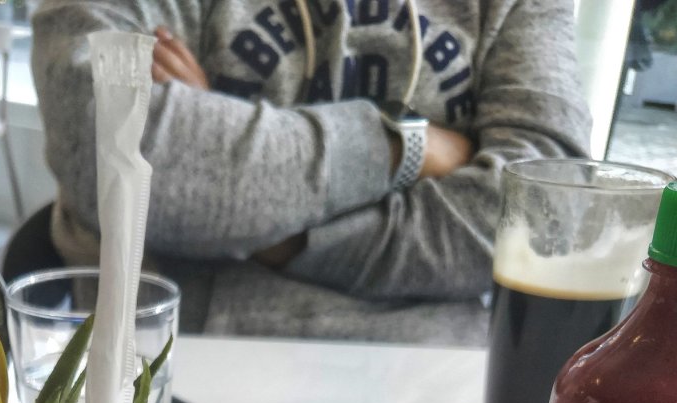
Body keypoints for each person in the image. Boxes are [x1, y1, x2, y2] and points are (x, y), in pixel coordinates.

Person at [30, 0, 592, 343]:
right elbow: (116, 149)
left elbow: (546, 213)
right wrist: (405, 147)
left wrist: (277, 235)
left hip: (434, 391)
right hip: (171, 382)